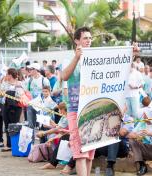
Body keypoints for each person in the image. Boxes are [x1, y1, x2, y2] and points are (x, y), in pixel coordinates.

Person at [61, 26, 95, 176]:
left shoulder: (96, 58)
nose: (88, 41)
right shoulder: (69, 58)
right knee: (79, 149)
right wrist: (76, 57)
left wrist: (130, 55)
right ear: (76, 40)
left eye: (90, 38)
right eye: (85, 38)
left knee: (89, 149)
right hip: (75, 108)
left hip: (92, 108)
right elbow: (64, 76)